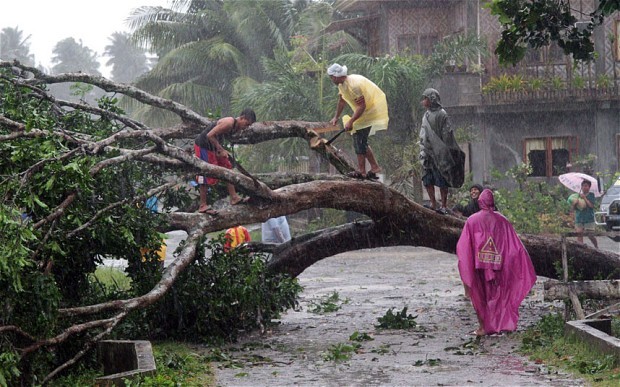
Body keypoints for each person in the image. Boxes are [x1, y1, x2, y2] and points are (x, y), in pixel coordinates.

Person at [456, 189, 537, 336]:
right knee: (500, 295)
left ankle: (482, 327)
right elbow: (513, 245)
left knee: (480, 296)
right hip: (498, 264)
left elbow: (464, 245)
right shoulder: (502, 220)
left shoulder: (472, 220)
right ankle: (501, 324)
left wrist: (468, 262)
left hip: (478, 265)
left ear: (480, 201)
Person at [327, 63, 389, 180]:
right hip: (363, 112)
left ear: (336, 76)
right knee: (361, 140)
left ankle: (362, 171)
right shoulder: (342, 85)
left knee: (359, 140)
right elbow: (341, 101)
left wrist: (351, 121)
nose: (331, 79)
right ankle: (375, 167)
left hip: (369, 112)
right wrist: (336, 117)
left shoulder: (353, 86)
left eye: (331, 77)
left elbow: (362, 106)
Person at [194, 109, 257, 215]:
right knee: (205, 174)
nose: (246, 127)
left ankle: (234, 197)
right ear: (241, 118)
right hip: (203, 146)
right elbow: (210, 135)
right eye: (246, 124)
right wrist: (221, 149)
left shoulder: (236, 127)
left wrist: (220, 149)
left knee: (228, 167)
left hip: (213, 147)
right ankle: (202, 205)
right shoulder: (229, 123)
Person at [419, 88, 465, 214]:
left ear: (432, 99)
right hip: (427, 152)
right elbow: (423, 132)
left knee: (442, 179)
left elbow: (447, 133)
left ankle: (444, 205)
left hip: (440, 152)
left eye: (425, 99)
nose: (423, 102)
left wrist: (444, 149)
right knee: (427, 178)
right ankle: (433, 202)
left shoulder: (442, 114)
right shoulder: (426, 115)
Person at [568, 179, 598, 248]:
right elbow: (572, 209)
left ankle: (596, 246)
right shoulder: (577, 196)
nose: (585, 187)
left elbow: (591, 206)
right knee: (579, 234)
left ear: (589, 187)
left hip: (588, 218)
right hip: (579, 218)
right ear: (581, 187)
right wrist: (574, 204)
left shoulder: (591, 195)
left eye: (586, 186)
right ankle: (581, 249)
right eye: (583, 186)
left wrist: (584, 198)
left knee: (590, 235)